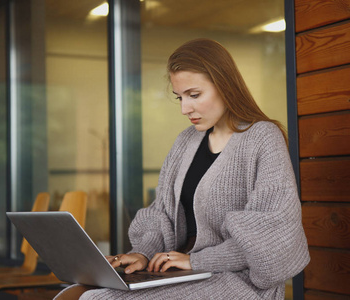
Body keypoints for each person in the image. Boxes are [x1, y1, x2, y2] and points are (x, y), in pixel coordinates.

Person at [54, 38, 310, 300]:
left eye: (194, 95)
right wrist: (142, 253)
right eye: (180, 97)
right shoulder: (186, 141)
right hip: (184, 271)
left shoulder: (263, 138)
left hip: (239, 281)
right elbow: (161, 212)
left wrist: (198, 261)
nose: (185, 109)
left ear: (225, 86)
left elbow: (273, 235)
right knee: (73, 294)